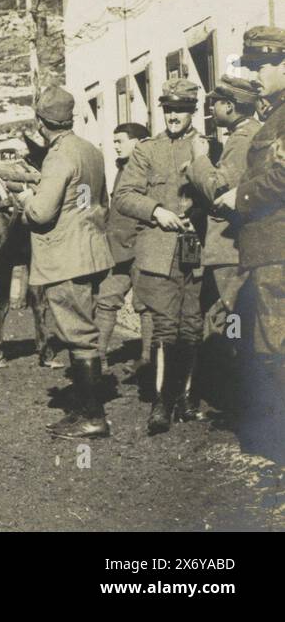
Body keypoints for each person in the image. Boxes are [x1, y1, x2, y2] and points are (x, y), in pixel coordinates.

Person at [16, 86, 114, 439]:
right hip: (90, 250)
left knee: (78, 335)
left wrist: (26, 202)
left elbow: (42, 213)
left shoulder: (57, 157)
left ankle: (91, 417)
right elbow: (100, 202)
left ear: (41, 122)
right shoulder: (91, 151)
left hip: (65, 258)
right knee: (83, 332)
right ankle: (85, 410)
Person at [113, 79, 208, 436]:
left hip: (196, 249)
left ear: (192, 111)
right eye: (168, 109)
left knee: (193, 326)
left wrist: (196, 214)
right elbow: (124, 195)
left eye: (180, 109)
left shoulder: (206, 148)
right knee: (165, 327)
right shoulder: (147, 151)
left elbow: (220, 189)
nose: (173, 116)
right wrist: (156, 211)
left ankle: (185, 398)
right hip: (159, 251)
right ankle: (161, 403)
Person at [185, 75, 261, 418]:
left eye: (214, 103)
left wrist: (199, 160)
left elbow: (220, 190)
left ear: (229, 106)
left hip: (231, 249)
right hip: (237, 248)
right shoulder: (248, 134)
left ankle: (234, 404)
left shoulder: (242, 141)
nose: (210, 109)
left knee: (230, 323)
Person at [227, 26, 285, 462]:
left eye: (262, 65)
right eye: (251, 66)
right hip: (268, 251)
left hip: (277, 251)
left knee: (275, 349)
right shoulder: (275, 113)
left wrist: (239, 197)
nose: (255, 75)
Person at [96, 122, 154, 382]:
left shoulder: (149, 168)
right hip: (118, 248)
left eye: (120, 140)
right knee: (106, 301)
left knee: (146, 306)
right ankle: (98, 358)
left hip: (142, 248)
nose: (115, 145)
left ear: (139, 142)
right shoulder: (122, 169)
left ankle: (147, 359)